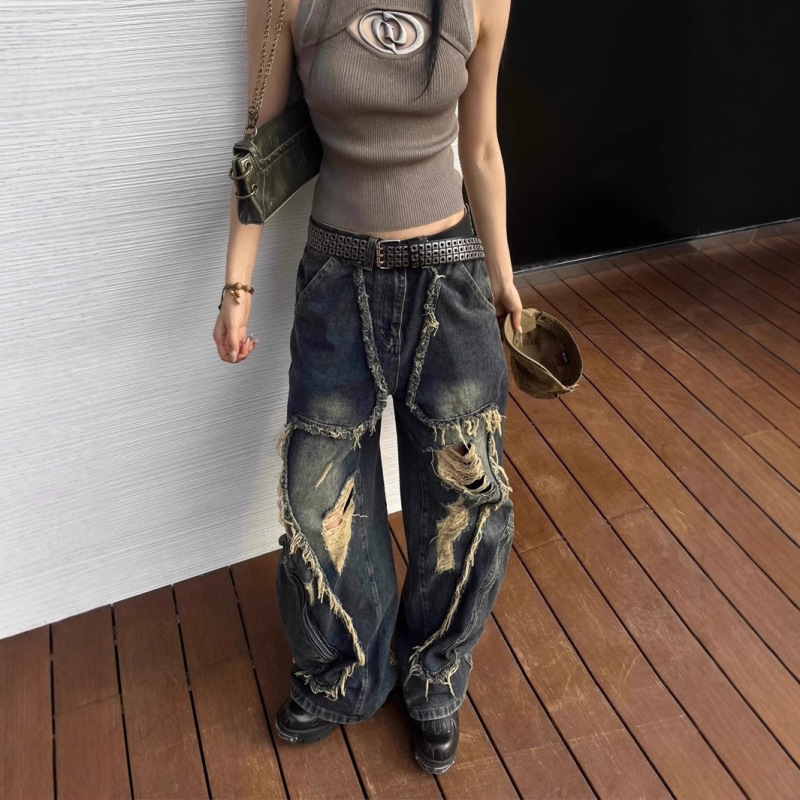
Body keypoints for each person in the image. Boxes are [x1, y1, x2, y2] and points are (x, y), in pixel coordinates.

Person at [213, 0, 521, 775]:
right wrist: (235, 287)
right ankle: (348, 672)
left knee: (466, 503)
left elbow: (481, 147)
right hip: (336, 280)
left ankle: (434, 673)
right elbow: (260, 143)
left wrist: (504, 279)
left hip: (449, 274)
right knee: (318, 499)